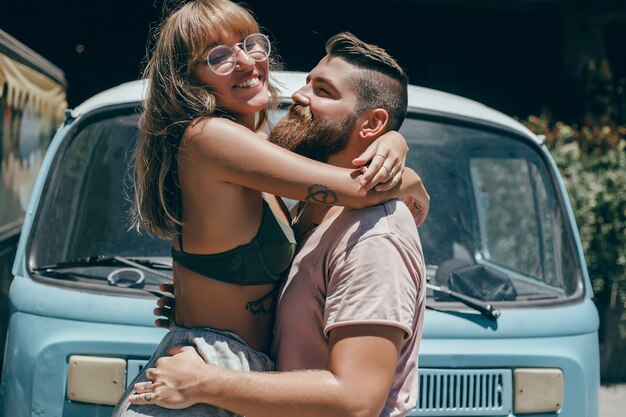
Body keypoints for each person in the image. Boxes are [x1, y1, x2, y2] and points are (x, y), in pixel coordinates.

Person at [113, 1, 429, 416]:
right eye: (218, 56)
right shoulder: (209, 138)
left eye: (249, 44)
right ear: (189, 81)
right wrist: (406, 172)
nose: (246, 61)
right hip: (205, 373)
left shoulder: (261, 155)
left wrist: (389, 140)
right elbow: (355, 191)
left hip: (227, 375)